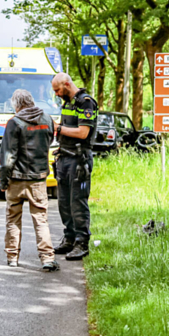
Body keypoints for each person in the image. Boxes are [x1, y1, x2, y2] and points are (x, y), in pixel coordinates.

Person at [0, 89, 59, 272]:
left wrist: (3, 181)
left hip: (16, 180)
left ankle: (12, 258)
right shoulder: (47, 119)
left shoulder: (14, 123)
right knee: (41, 219)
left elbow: (7, 156)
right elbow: (48, 142)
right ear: (31, 101)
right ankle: (47, 259)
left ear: (17, 105)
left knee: (13, 219)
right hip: (38, 179)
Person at [51, 72, 98, 260]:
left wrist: (58, 128)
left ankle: (81, 242)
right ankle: (69, 238)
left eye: (57, 90)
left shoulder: (86, 103)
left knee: (77, 202)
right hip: (64, 157)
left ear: (67, 85)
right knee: (64, 202)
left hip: (79, 159)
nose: (56, 94)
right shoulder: (68, 103)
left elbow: (82, 133)